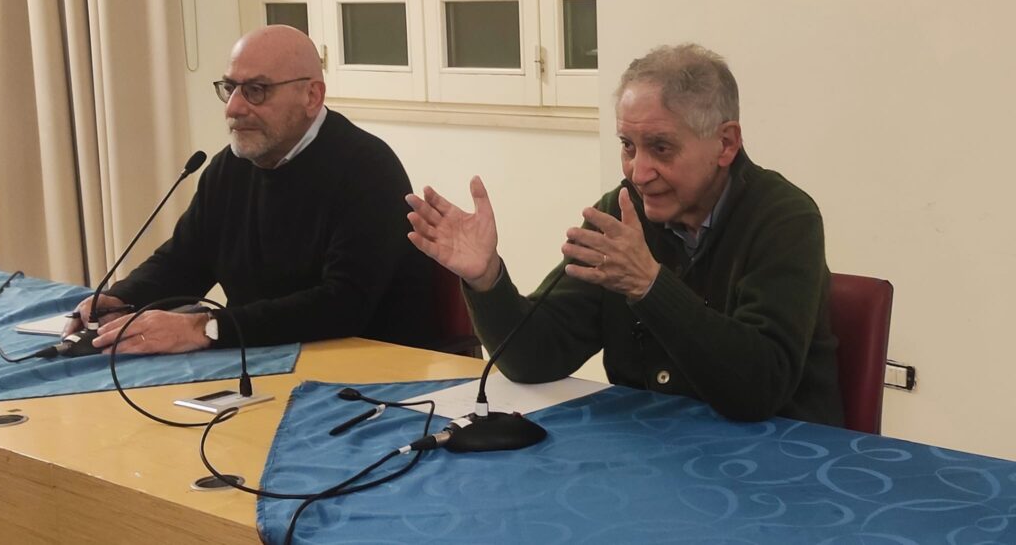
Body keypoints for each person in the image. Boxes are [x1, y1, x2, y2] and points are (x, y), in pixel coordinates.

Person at [406, 44, 843, 425]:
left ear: (725, 144)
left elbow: (759, 389)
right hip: (654, 448)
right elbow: (535, 357)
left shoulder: (784, 219)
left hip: (776, 458)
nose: (639, 172)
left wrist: (650, 286)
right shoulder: (621, 210)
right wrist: (487, 279)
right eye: (628, 146)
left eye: (661, 148)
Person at [65, 24, 435, 354]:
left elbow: (343, 305)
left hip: (370, 372)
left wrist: (207, 328)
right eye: (230, 88)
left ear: (311, 96)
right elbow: (184, 262)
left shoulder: (367, 169)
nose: (234, 108)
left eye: (256, 90)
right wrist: (122, 298)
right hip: (258, 356)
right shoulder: (229, 168)